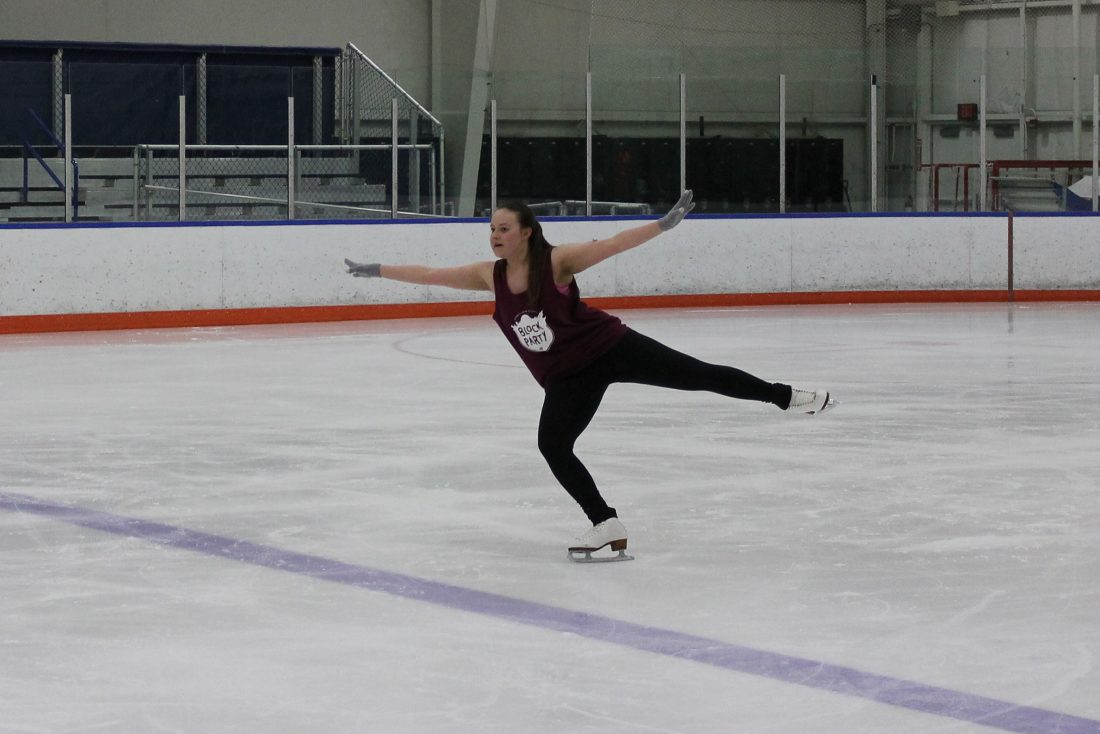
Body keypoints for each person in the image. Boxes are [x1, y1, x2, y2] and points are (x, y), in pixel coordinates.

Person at [345, 191, 833, 561]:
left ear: (527, 232)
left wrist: (663, 225)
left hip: (610, 348)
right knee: (553, 446)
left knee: (699, 374)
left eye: (503, 229)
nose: (494, 236)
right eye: (491, 229)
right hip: (566, 378)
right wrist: (377, 269)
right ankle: (605, 524)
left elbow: (614, 243)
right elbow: (432, 274)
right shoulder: (487, 275)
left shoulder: (556, 261)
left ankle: (786, 396)